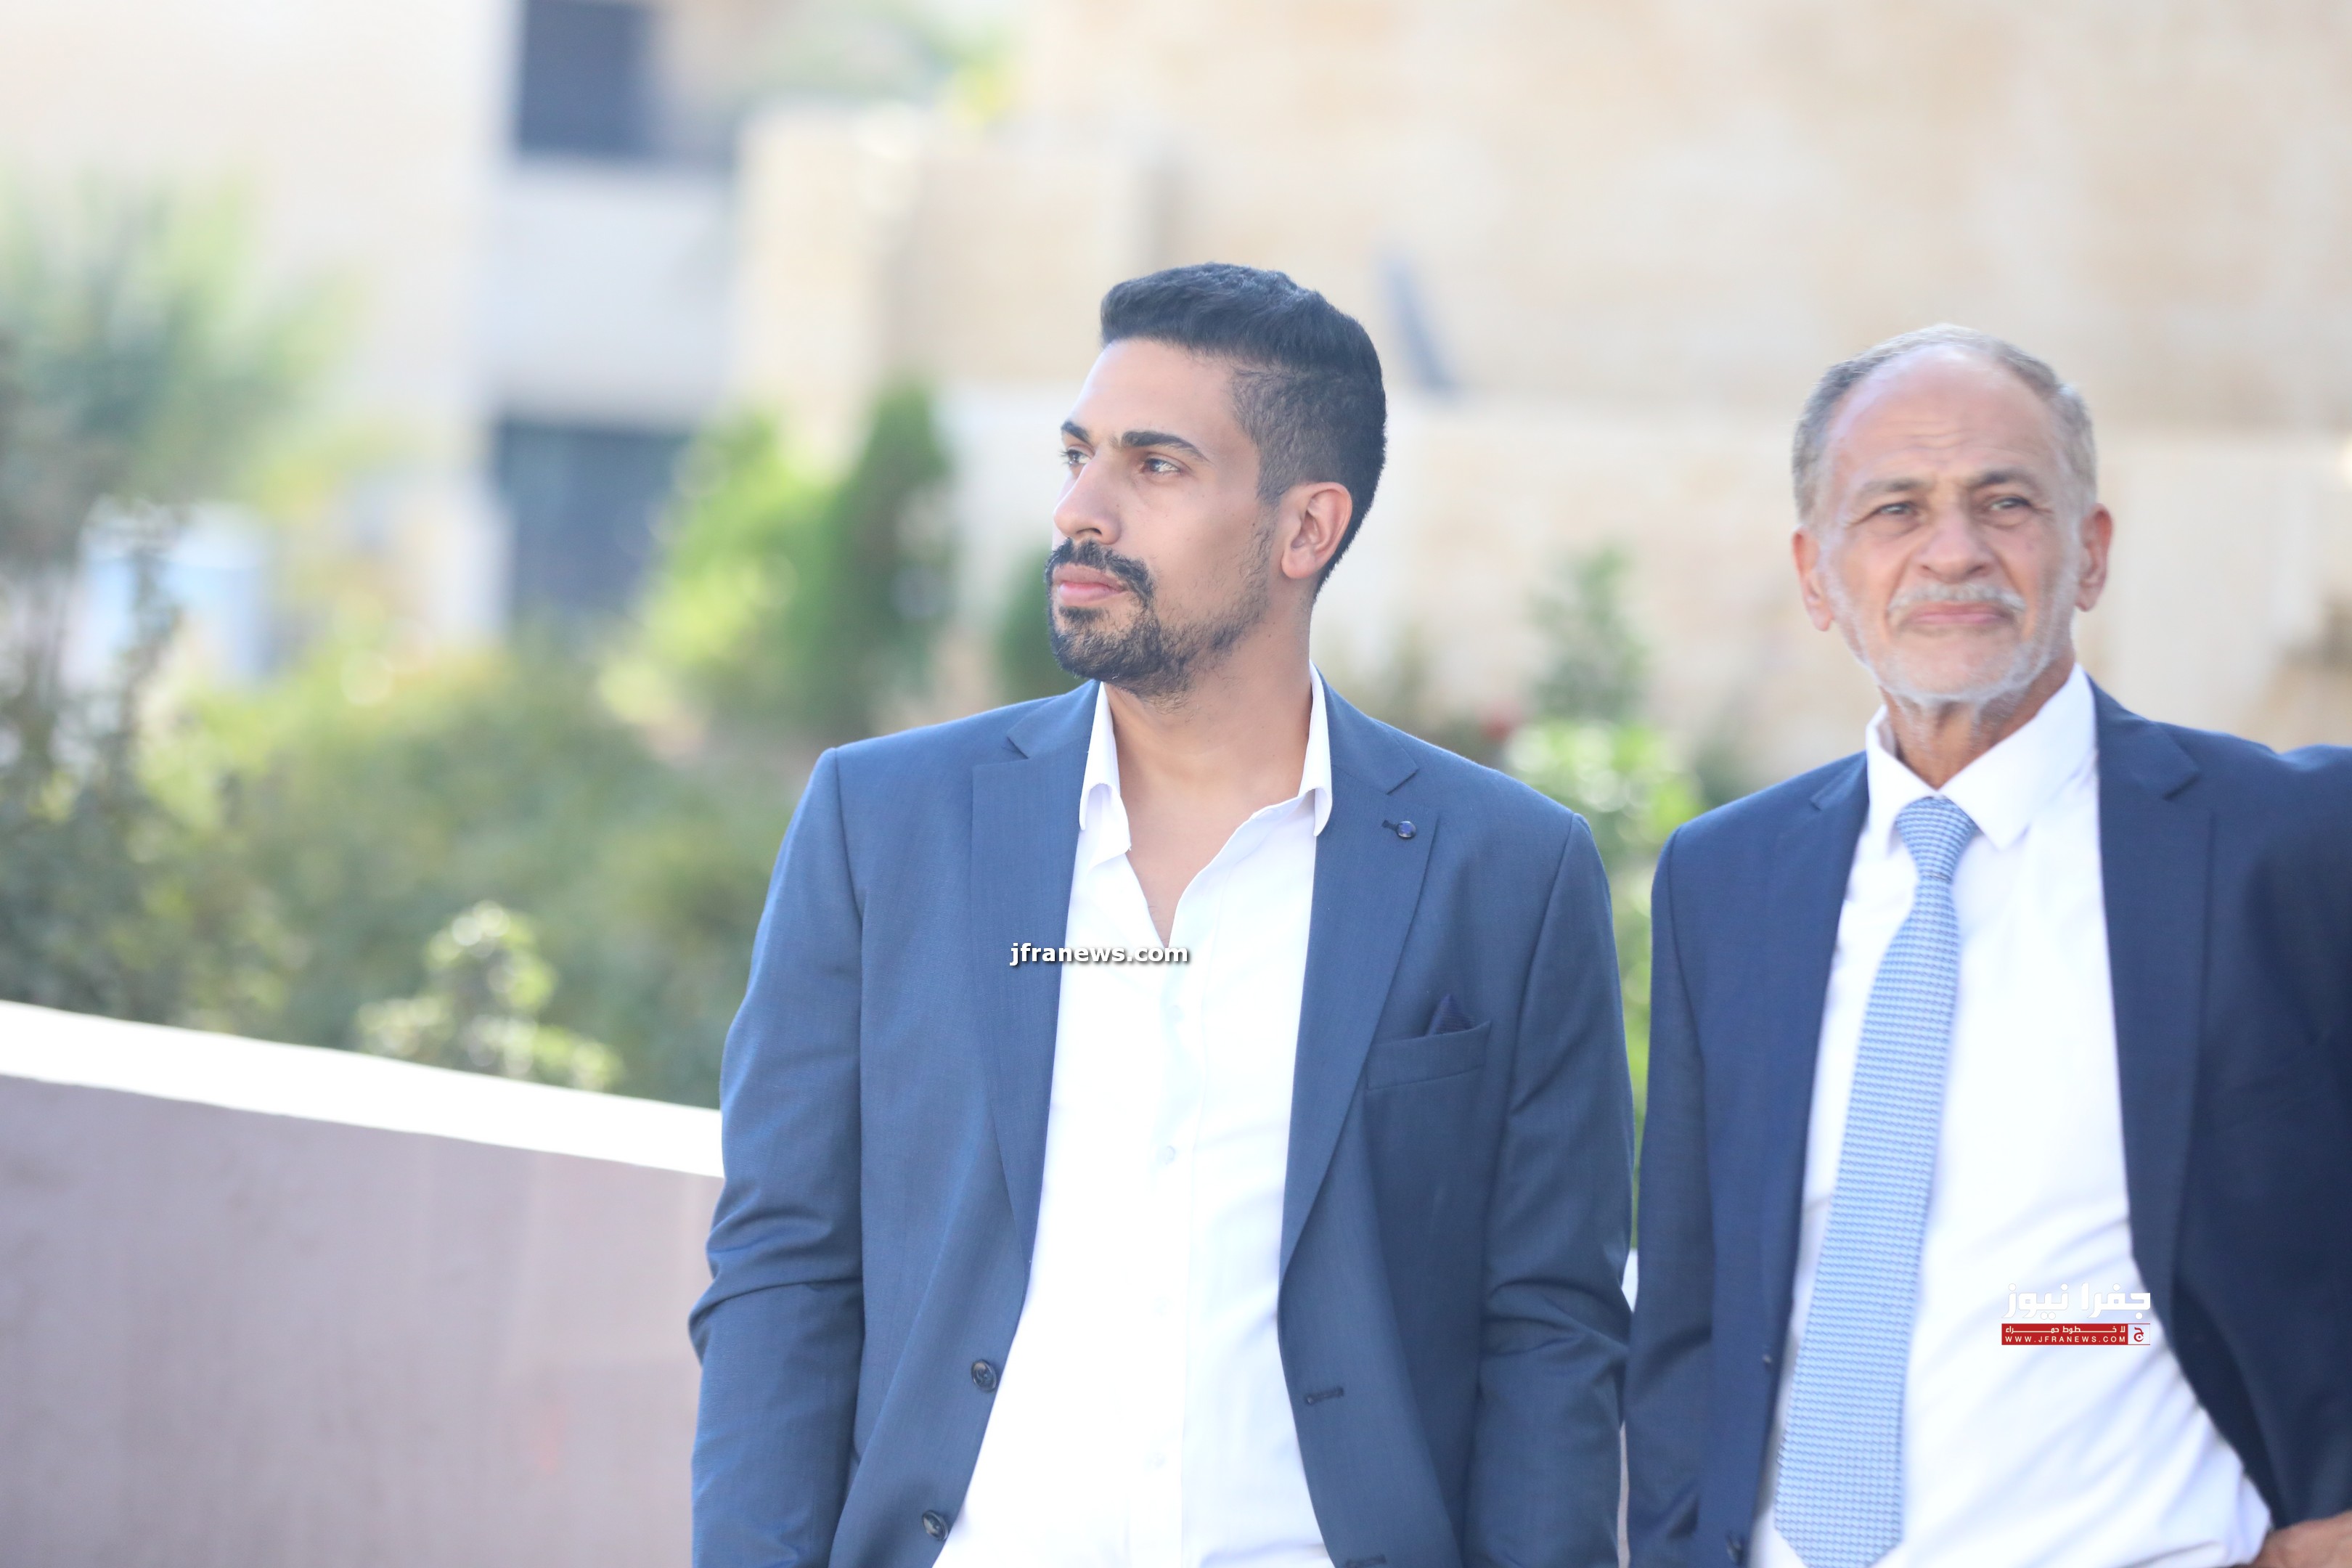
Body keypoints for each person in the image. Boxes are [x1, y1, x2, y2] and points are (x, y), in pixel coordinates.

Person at [691, 263, 1635, 1568]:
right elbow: (785, 1267)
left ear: (1306, 529)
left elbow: (1548, 1329)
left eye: (1155, 466)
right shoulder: (884, 824)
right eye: (1078, 455)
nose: (1081, 509)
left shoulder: (1507, 872)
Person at [1624, 324, 2352, 1568]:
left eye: (2006, 502)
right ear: (1817, 575)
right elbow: (1692, 1304)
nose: (1953, 550)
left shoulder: (2286, 841)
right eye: (1895, 509)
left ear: (2091, 551)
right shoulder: (1728, 876)